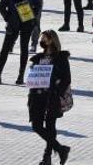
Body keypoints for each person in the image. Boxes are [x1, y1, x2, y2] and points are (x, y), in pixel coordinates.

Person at [28, 30, 71, 165]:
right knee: (36, 126)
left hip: (51, 97)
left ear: (51, 40)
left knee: (51, 126)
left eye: (44, 38)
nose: (42, 41)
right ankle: (60, 149)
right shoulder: (38, 58)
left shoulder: (60, 58)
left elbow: (66, 79)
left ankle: (47, 157)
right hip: (37, 96)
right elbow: (32, 76)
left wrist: (57, 92)